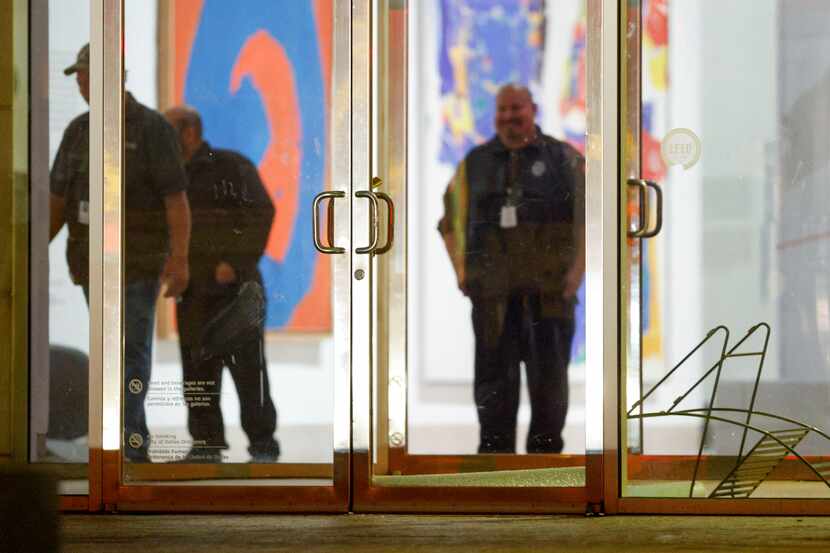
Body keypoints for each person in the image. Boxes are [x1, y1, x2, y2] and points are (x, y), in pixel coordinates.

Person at [49, 44, 192, 463]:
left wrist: (179, 259)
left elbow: (175, 201)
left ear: (112, 77)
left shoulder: (152, 130)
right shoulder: (78, 130)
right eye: (77, 76)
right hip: (90, 264)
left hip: (137, 264)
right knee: (111, 352)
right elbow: (57, 201)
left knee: (130, 351)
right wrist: (31, 253)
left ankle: (126, 447)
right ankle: (125, 442)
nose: (80, 83)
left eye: (85, 75)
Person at [438, 84, 585, 454]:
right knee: (492, 388)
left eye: (516, 109)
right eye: (502, 110)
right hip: (493, 300)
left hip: (550, 299)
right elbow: (449, 223)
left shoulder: (564, 160)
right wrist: (462, 273)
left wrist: (576, 275)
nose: (509, 117)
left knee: (549, 388)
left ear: (533, 110)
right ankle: (494, 472)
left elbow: (593, 223)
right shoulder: (475, 164)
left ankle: (546, 471)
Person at [164, 106, 280, 463]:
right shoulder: (169, 176)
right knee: (197, 372)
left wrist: (236, 262)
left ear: (189, 133)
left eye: (168, 131)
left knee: (248, 370)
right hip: (193, 291)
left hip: (237, 292)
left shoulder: (231, 166)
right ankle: (206, 444)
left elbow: (262, 212)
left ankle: (263, 444)